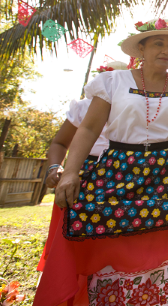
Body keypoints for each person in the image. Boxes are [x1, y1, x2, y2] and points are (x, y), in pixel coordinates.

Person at [35, 19, 168, 306]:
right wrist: (70, 171)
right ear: (141, 49)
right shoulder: (112, 82)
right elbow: (87, 129)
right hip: (119, 170)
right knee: (112, 232)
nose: (166, 50)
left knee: (167, 235)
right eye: (158, 43)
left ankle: (167, 295)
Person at [37, 61, 126, 274]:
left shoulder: (138, 107)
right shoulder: (83, 107)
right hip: (84, 175)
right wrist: (56, 168)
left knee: (120, 237)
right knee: (79, 236)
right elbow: (60, 142)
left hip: (125, 174)